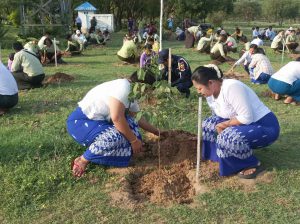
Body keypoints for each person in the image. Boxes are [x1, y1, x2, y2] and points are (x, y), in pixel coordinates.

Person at [67, 71, 164, 177]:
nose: (147, 95)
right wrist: (133, 141)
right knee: (116, 137)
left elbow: (138, 118)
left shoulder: (130, 92)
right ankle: (83, 159)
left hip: (99, 122)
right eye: (148, 91)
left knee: (132, 125)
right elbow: (117, 118)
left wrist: (156, 131)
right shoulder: (124, 88)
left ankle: (122, 152)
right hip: (81, 122)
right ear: (142, 86)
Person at [192, 65, 280, 178]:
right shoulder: (210, 94)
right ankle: (218, 158)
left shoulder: (232, 87)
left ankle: (251, 163)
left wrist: (225, 125)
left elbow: (247, 117)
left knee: (227, 137)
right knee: (208, 124)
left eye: (199, 88)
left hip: (264, 125)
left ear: (210, 82)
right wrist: (221, 125)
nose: (199, 92)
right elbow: (219, 115)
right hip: (244, 123)